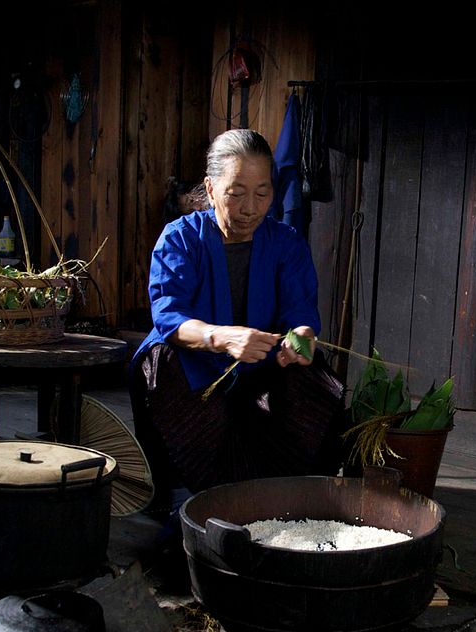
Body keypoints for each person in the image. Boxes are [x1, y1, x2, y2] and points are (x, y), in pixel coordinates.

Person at [129, 129, 345, 531]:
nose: (250, 208)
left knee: (315, 378)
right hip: (197, 364)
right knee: (162, 361)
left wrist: (301, 338)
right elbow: (169, 316)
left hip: (260, 365)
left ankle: (285, 490)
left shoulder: (285, 243)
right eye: (236, 193)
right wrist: (222, 337)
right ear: (210, 190)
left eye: (262, 193)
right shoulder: (180, 241)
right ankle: (184, 493)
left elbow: (300, 311)